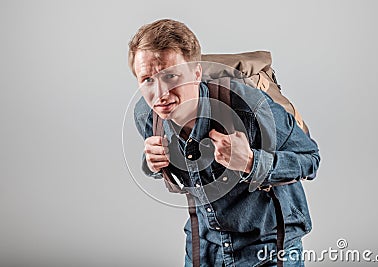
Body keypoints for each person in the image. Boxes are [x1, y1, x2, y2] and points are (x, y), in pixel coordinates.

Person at [128, 18, 320, 267]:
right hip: (204, 248)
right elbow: (187, 172)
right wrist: (153, 164)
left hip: (268, 249)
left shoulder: (250, 108)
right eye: (147, 80)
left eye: (171, 76)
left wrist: (251, 161)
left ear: (197, 73)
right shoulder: (146, 115)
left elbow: (311, 160)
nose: (160, 93)